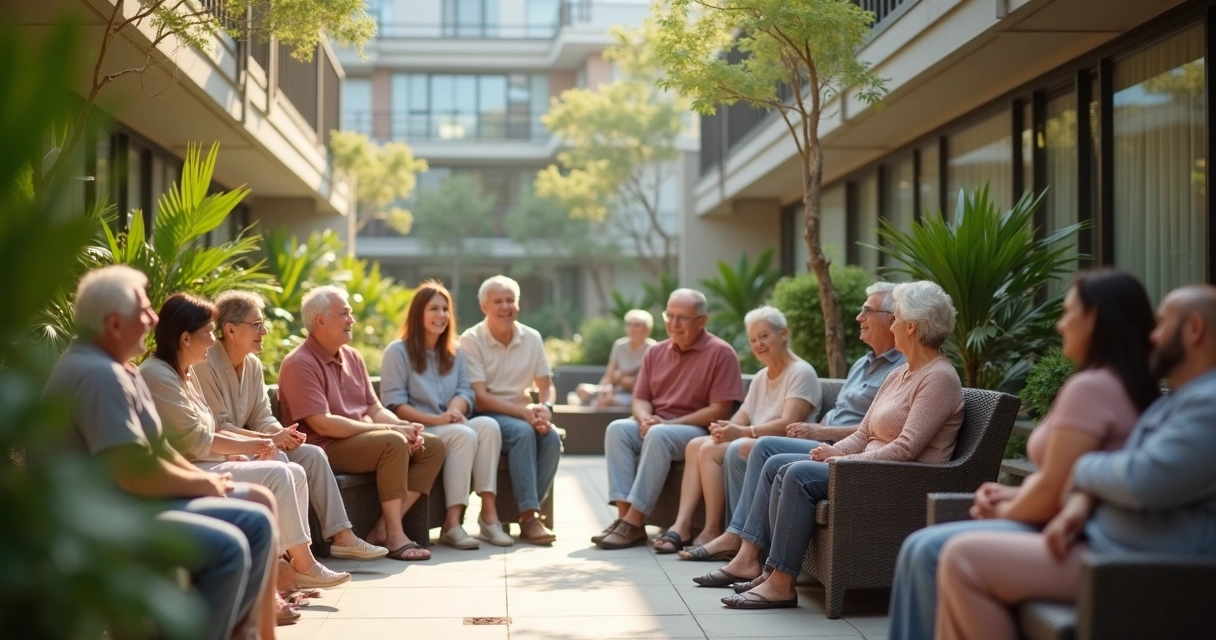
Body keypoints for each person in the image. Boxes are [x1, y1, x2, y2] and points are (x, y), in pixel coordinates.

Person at [887, 270, 1158, 639]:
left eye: (1068, 313)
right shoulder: (1118, 385)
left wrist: (1003, 508)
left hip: (1082, 535)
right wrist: (1013, 495)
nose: (1060, 325)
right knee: (924, 547)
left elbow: (1051, 491)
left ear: (1095, 318)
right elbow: (1070, 482)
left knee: (931, 551)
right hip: (1076, 522)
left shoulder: (1093, 388)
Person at [935, 284, 1216, 640]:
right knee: (952, 558)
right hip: (1110, 544)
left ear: (1194, 329)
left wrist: (1082, 469)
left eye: (1162, 324)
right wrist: (1081, 502)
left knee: (960, 558)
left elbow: (1143, 478)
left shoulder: (1208, 403)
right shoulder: (1182, 400)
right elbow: (1134, 466)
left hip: (1143, 561)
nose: (1154, 336)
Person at [45, 266, 278, 640]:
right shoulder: (97, 374)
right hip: (107, 519)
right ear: (114, 324)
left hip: (132, 503)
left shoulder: (123, 371)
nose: (154, 319)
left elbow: (161, 450)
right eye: (144, 311)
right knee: (231, 545)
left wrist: (206, 479)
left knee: (257, 519)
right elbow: (133, 472)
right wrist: (203, 485)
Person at [701, 281, 964, 611]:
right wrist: (837, 449)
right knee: (773, 463)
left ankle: (782, 585)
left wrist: (843, 458)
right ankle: (770, 572)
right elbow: (866, 430)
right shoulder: (899, 374)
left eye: (895, 318)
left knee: (796, 474)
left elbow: (905, 449)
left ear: (911, 327)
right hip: (868, 466)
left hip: (901, 480)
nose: (892, 325)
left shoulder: (938, 377)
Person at [140, 292, 351, 590]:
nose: (213, 341)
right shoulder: (159, 376)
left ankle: (287, 569)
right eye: (209, 333)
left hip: (210, 462)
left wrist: (265, 441)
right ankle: (302, 566)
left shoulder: (185, 374)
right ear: (186, 338)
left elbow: (223, 425)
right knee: (278, 470)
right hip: (188, 473)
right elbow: (196, 440)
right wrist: (256, 445)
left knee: (295, 470)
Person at [681, 282, 905, 561]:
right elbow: (842, 412)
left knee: (757, 447)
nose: (859, 317)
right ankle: (732, 539)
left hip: (845, 447)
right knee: (727, 446)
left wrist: (822, 432)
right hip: (825, 438)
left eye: (867, 311)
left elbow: (877, 430)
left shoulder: (902, 369)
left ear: (893, 318)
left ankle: (737, 540)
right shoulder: (862, 363)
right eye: (753, 340)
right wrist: (729, 427)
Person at [194, 290, 388, 561]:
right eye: (257, 324)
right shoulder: (204, 364)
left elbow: (263, 415)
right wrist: (272, 439)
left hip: (255, 442)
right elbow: (218, 427)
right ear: (230, 330)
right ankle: (291, 557)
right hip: (226, 450)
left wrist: (282, 433)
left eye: (264, 323)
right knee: (282, 458)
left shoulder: (252, 364)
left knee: (313, 454)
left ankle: (342, 536)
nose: (265, 330)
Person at [278, 285, 446, 561]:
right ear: (321, 320)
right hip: (326, 447)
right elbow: (323, 425)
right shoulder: (299, 363)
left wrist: (406, 427)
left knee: (432, 445)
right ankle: (395, 535)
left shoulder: (352, 356)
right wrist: (393, 430)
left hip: (361, 441)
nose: (351, 320)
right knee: (393, 442)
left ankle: (381, 529)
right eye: (344, 313)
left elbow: (374, 408)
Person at [654, 306, 820, 555]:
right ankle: (691, 525)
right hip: (753, 438)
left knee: (717, 449)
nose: (758, 344)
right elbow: (744, 412)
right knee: (697, 444)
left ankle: (720, 532)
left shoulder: (801, 372)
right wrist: (727, 426)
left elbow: (788, 423)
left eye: (764, 336)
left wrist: (741, 432)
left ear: (783, 334)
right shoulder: (763, 375)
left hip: (778, 444)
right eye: (753, 339)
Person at [597, 288, 745, 550]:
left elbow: (720, 410)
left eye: (683, 318)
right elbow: (640, 398)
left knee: (658, 434)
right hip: (658, 425)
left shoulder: (721, 353)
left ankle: (635, 519)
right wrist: (644, 418)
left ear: (702, 320)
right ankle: (625, 520)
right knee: (617, 429)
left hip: (696, 430)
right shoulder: (655, 352)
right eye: (670, 316)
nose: (673, 324)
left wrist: (666, 424)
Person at [381, 281, 513, 549]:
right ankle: (452, 523)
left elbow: (466, 391)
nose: (441, 315)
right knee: (463, 434)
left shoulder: (456, 351)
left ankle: (489, 516)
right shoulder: (397, 351)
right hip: (419, 429)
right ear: (419, 313)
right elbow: (393, 403)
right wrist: (437, 420)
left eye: (445, 309)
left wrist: (454, 410)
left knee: (488, 425)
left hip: (451, 422)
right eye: (433, 309)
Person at [460, 275, 561, 545]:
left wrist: (545, 408)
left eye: (510, 300)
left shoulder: (532, 337)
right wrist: (525, 414)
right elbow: (479, 397)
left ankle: (526, 510)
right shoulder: (470, 340)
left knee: (551, 437)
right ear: (484, 307)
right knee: (523, 433)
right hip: (486, 416)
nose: (506, 307)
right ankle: (529, 518)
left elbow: (546, 386)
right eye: (498, 301)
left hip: (523, 414)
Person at [574, 309, 656, 408]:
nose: (632, 328)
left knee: (604, 403)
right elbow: (608, 376)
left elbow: (648, 386)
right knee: (583, 390)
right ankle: (591, 400)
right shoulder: (619, 345)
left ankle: (587, 402)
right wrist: (606, 389)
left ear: (646, 329)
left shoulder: (653, 348)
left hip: (635, 395)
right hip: (615, 389)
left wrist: (624, 381)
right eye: (629, 324)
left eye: (636, 325)